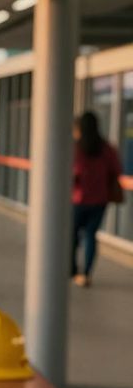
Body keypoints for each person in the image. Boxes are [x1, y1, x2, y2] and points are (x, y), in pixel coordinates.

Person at [71, 111, 123, 287]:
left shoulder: (76, 148)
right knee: (91, 235)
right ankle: (86, 273)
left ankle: (72, 269)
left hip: (78, 199)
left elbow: (73, 172)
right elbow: (116, 170)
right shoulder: (107, 148)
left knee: (72, 234)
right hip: (100, 200)